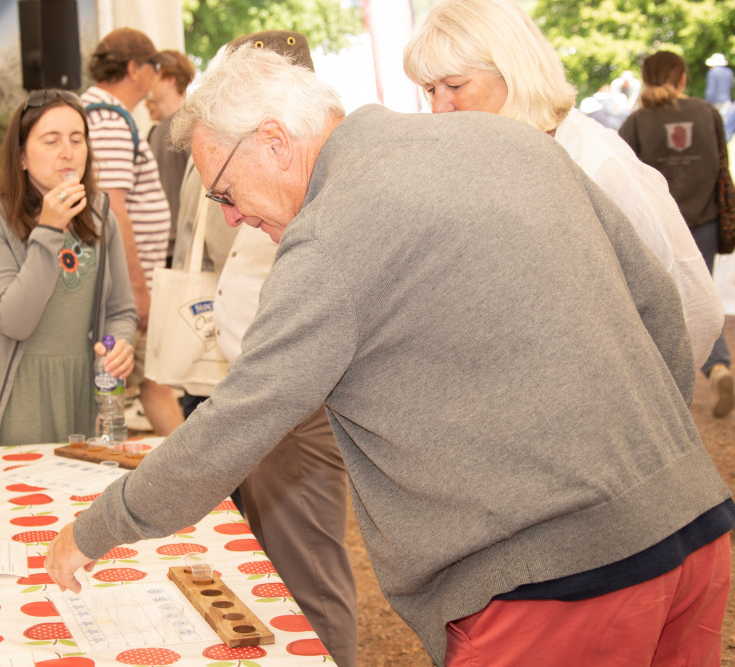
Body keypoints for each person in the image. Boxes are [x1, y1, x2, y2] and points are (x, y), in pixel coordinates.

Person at [45, 44, 735, 666]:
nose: (230, 216)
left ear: (277, 141)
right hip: (694, 534)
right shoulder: (505, 140)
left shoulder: (332, 232)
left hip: (555, 588)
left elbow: (242, 416)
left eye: (224, 190)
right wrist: (651, 470)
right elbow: (659, 302)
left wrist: (97, 527)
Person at [401, 0, 724, 378]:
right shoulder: (494, 161)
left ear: (513, 73)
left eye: (454, 85)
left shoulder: (598, 165)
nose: (440, 107)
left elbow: (695, 307)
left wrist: (645, 395)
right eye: (429, 90)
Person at [168, 29, 358, 666]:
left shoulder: (316, 192)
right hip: (263, 391)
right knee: (274, 570)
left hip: (294, 407)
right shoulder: (281, 181)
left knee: (309, 576)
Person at [0, 90, 136, 448]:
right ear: (22, 156)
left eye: (77, 139)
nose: (67, 152)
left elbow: (120, 310)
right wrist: (49, 231)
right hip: (10, 404)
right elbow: (14, 322)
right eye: (51, 140)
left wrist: (120, 343)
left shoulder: (100, 214)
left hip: (80, 399)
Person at [620, 51, 735, 420]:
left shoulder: (638, 122)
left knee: (657, 307)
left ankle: (663, 397)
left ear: (646, 78)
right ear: (683, 78)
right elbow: (721, 167)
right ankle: (717, 370)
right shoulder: (708, 113)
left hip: (654, 227)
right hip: (703, 221)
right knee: (701, 297)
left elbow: (623, 177)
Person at [80, 28, 184, 436]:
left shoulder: (104, 112)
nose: (156, 75)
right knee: (113, 388)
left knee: (150, 382)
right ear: (132, 68)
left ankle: (194, 484)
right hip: (123, 288)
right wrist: (137, 291)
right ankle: (100, 481)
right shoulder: (107, 118)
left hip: (125, 283)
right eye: (153, 66)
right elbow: (112, 210)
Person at [146, 49, 197, 265]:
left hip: (181, 245)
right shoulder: (157, 130)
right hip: (159, 245)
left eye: (155, 74)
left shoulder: (191, 127)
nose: (149, 80)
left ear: (170, 79)